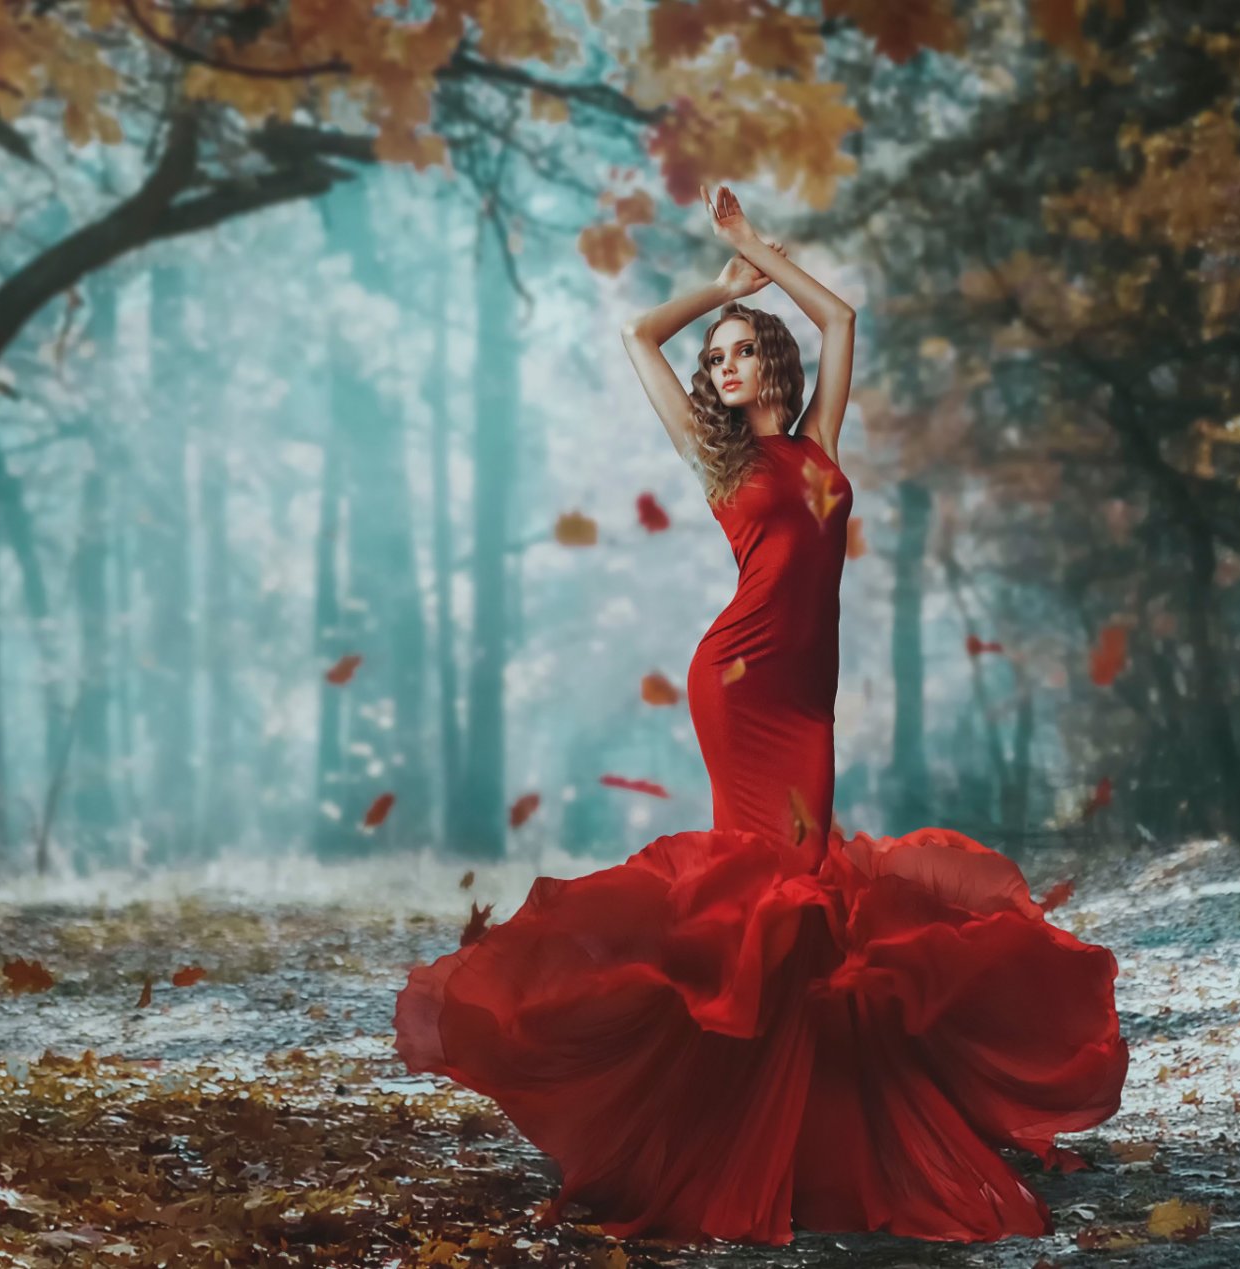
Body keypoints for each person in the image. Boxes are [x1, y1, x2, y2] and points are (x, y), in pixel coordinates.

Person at [392, 184, 1129, 1247]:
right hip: (737, 684)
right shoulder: (720, 458)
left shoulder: (819, 444)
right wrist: (713, 291)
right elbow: (638, 333)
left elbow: (842, 320)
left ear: (772, 365)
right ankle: (734, 1132)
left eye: (741, 353)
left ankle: (791, 1122)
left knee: (807, 891)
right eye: (720, 358)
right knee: (770, 889)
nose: (725, 367)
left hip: (807, 701)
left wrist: (758, 252)